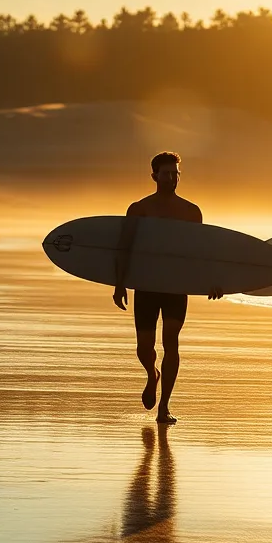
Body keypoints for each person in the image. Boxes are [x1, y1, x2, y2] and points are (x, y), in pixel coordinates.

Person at [113, 152, 222, 424]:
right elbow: (124, 248)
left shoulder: (190, 212)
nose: (172, 178)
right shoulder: (140, 209)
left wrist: (213, 280)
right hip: (147, 285)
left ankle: (164, 406)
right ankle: (152, 374)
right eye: (166, 173)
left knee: (171, 342)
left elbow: (200, 252)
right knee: (144, 347)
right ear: (154, 176)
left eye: (176, 174)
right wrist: (119, 284)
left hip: (176, 285)